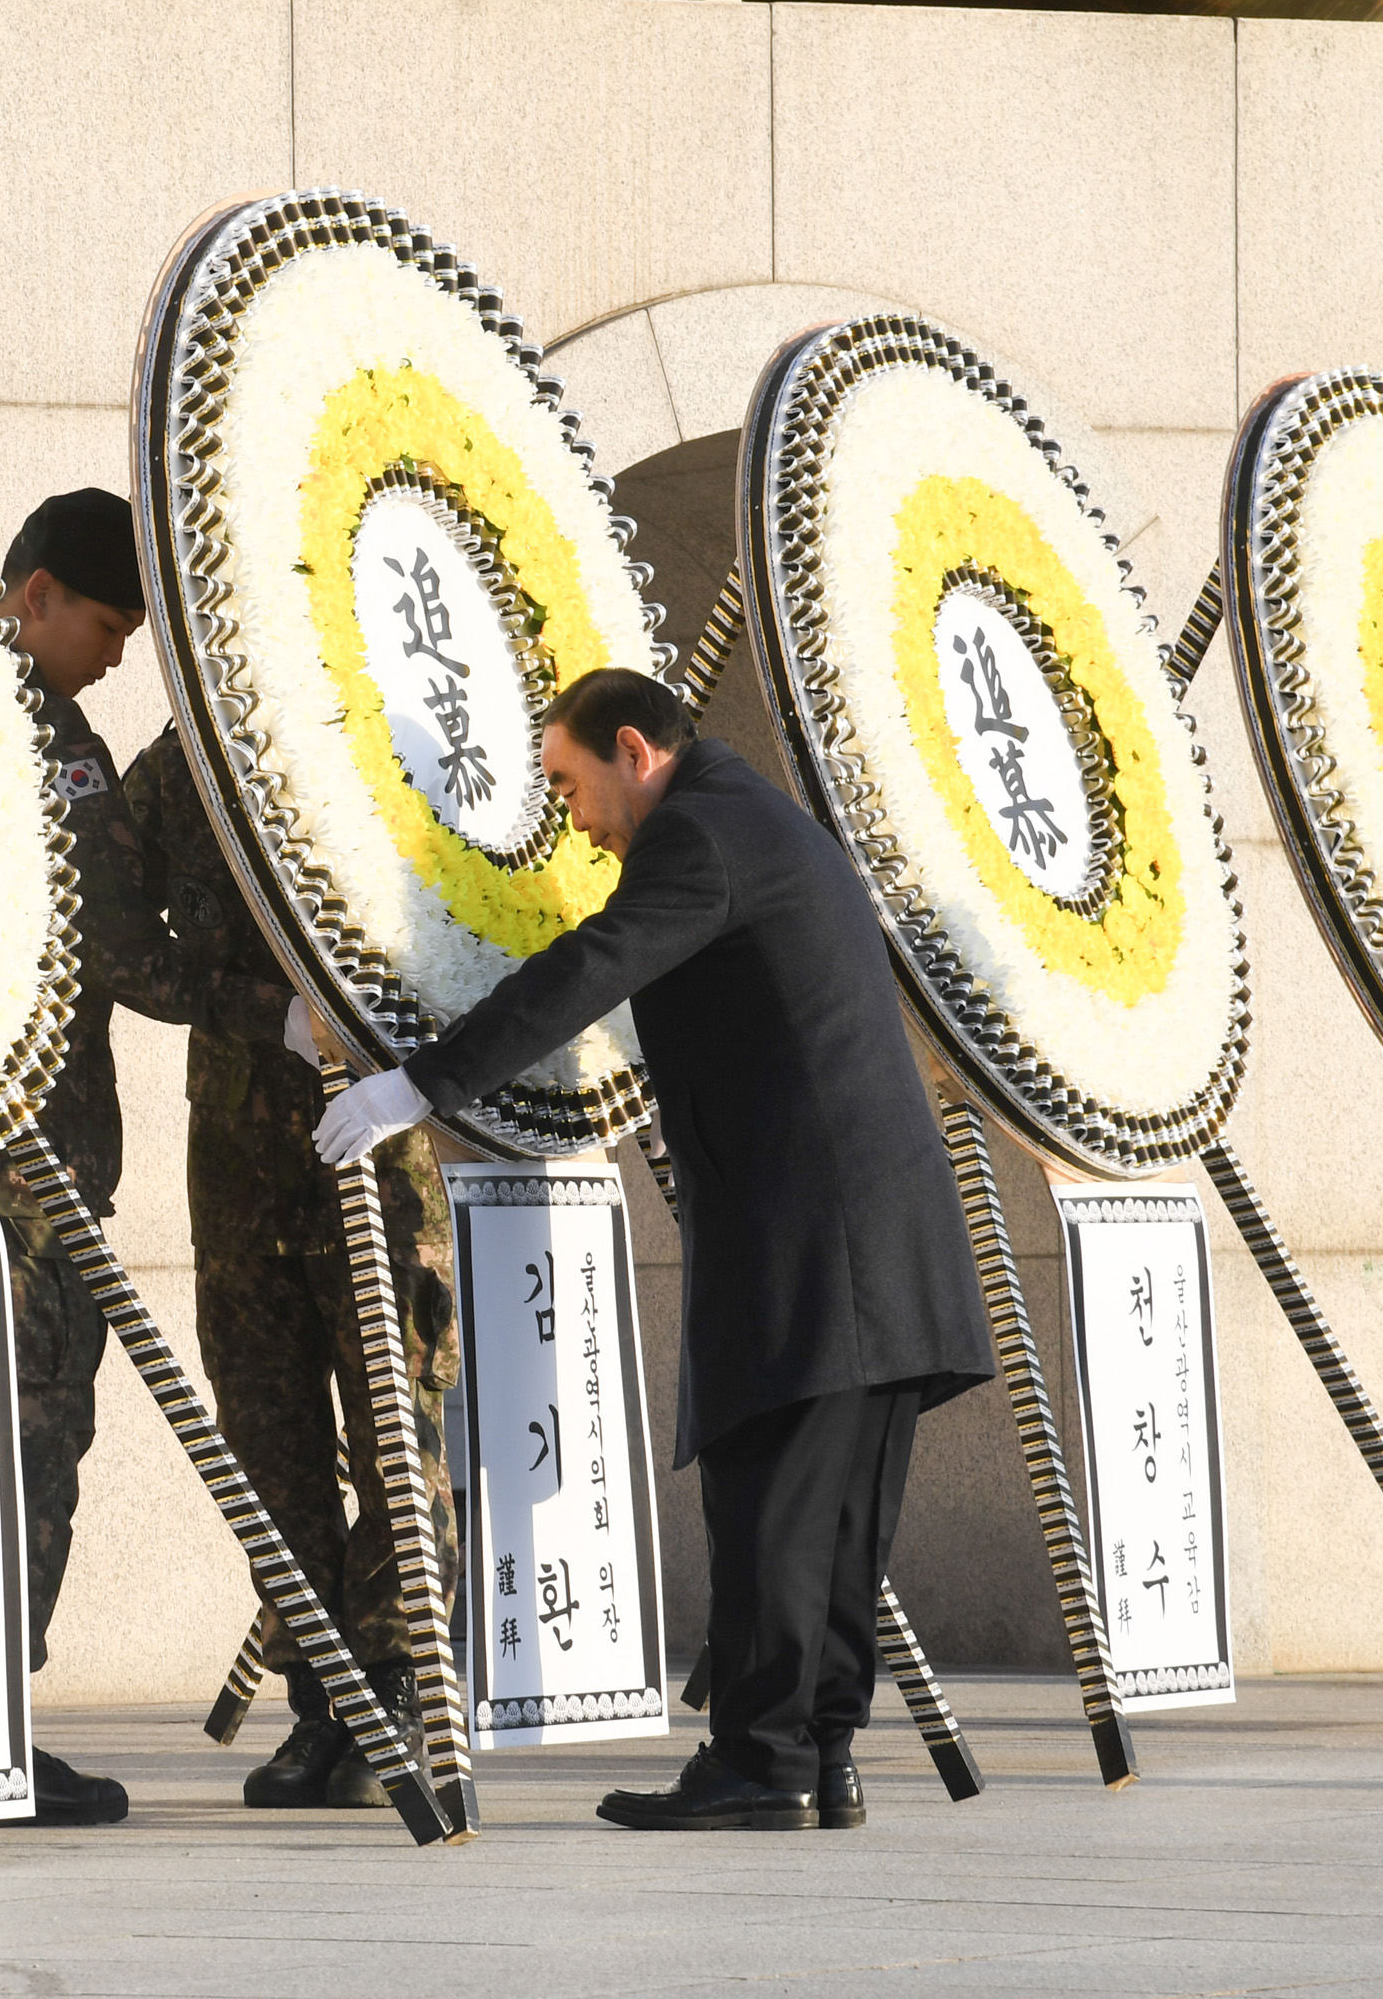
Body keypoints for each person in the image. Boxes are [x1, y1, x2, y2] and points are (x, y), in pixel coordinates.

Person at [317, 670, 995, 1832]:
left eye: (569, 784)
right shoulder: (765, 818)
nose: (570, 818)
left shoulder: (701, 834)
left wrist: (418, 1085)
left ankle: (760, 1762)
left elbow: (588, 969)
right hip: (883, 1235)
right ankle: (823, 1752)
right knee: (840, 1514)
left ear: (633, 751)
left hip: (812, 1236)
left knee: (773, 1500)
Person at [106, 726, 462, 1811]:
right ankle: (323, 1696)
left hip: (376, 1152)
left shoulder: (374, 733)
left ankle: (396, 1689)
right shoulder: (182, 766)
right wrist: (262, 1011)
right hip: (239, 1157)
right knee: (271, 1441)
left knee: (397, 1431)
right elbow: (112, 930)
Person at [0, 489, 166, 1823]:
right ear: (36, 594)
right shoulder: (41, 736)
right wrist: (270, 1000)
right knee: (33, 1424)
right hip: (31, 1162)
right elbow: (120, 945)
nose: (112, 658)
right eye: (103, 627)